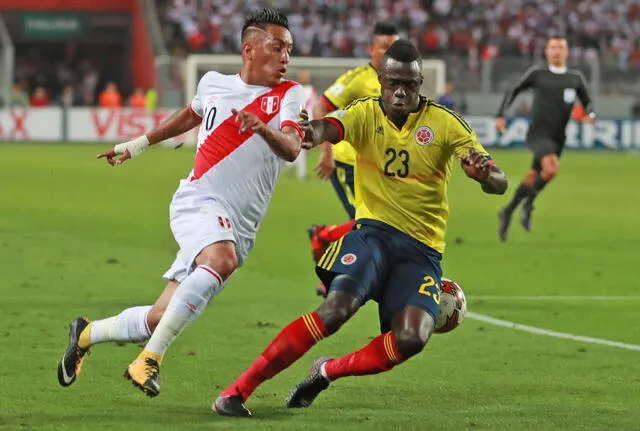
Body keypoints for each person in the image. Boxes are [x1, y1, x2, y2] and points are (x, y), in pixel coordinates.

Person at [213, 39, 508, 417]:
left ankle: (326, 371)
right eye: (393, 82)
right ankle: (237, 392)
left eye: (410, 84)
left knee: (412, 338)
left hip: (422, 252)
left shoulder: (445, 124)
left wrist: (484, 175)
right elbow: (326, 128)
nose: (401, 92)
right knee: (335, 311)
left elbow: (499, 180)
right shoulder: (364, 113)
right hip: (373, 235)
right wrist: (306, 134)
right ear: (381, 80)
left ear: (421, 85)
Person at [56, 8, 307, 398]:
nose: (286, 58)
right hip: (199, 201)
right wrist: (138, 144)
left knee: (160, 316)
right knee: (221, 260)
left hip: (239, 226)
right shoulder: (213, 83)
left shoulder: (289, 94)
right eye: (277, 48)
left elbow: (292, 147)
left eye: (289, 49)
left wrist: (262, 129)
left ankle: (87, 333)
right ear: (249, 50)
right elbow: (189, 116)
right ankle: (148, 360)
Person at [308, 22, 399, 297]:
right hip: (349, 162)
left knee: (379, 222)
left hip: (378, 165)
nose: (389, 53)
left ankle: (329, 251)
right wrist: (326, 151)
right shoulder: (358, 78)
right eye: (384, 47)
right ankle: (325, 242)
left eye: (394, 47)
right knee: (367, 223)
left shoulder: (397, 82)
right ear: (371, 50)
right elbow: (321, 106)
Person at [496, 36, 595, 241]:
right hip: (538, 134)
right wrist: (501, 113)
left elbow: (588, 104)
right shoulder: (538, 74)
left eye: (560, 47)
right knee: (551, 169)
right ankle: (529, 204)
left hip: (558, 137)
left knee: (533, 176)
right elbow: (514, 89)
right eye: (552, 47)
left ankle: (507, 211)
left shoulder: (574, 78)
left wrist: (589, 116)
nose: (556, 51)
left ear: (566, 52)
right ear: (547, 52)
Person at [286, 69, 317, 179]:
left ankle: (290, 165)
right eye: (303, 75)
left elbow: (314, 106)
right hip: (299, 121)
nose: (305, 77)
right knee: (303, 147)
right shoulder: (295, 89)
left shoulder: (311, 90)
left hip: (309, 122)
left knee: (306, 148)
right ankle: (301, 173)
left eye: (306, 75)